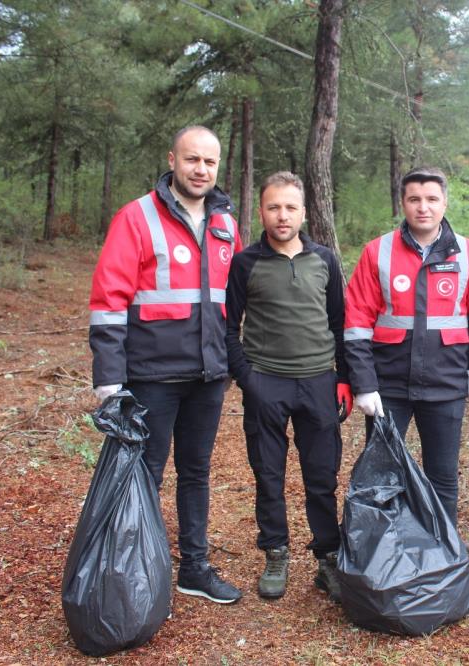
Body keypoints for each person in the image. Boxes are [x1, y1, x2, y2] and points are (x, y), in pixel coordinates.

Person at [88, 125, 243, 605]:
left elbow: (233, 302)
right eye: (192, 159)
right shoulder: (136, 217)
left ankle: (194, 567)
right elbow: (108, 302)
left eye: (210, 162)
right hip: (151, 374)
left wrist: (233, 362)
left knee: (196, 472)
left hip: (207, 376)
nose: (201, 170)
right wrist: (109, 379)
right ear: (172, 159)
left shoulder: (226, 224)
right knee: (144, 475)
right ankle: (139, 571)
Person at [344, 166, 469, 526]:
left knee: (443, 476)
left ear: (444, 203)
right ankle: (377, 555)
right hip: (387, 387)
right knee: (379, 475)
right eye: (414, 199)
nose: (423, 207)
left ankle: (444, 552)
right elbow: (356, 324)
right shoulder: (377, 252)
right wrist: (364, 384)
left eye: (432, 199)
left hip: (444, 385)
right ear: (402, 203)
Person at [224, 171, 350, 603]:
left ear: (303, 211)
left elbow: (339, 322)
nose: (282, 215)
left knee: (321, 476)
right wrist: (248, 379)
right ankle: (276, 552)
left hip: (318, 382)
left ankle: (327, 557)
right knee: (269, 474)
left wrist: (344, 378)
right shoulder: (246, 262)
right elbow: (228, 327)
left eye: (290, 207)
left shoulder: (325, 260)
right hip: (267, 383)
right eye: (274, 207)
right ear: (262, 210)